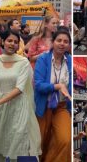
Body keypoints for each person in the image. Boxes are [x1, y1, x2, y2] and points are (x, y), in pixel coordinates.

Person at [0, 30, 41, 161]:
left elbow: (19, 88)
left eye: (15, 42)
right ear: (3, 42)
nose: (12, 44)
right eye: (9, 41)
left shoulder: (24, 62)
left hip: (18, 106)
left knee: (16, 142)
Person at [34, 28, 72, 162]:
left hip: (61, 107)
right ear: (53, 42)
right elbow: (38, 85)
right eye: (59, 40)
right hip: (44, 106)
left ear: (69, 45)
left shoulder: (70, 61)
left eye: (66, 41)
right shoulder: (43, 59)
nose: (62, 44)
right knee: (40, 143)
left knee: (65, 140)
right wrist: (57, 86)